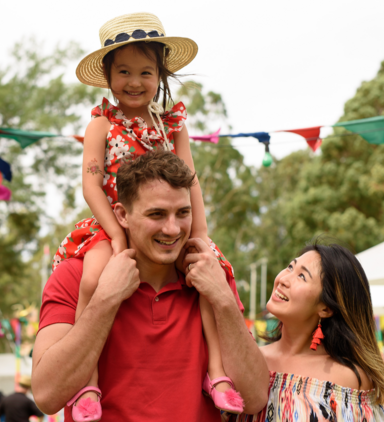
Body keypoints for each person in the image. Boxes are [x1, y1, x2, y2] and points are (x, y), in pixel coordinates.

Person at [49, 11, 244, 421]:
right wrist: (116, 236)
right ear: (107, 75)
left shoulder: (172, 125)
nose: (134, 82)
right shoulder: (102, 124)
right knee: (91, 275)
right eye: (123, 71)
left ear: (161, 74)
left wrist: (202, 234)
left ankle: (217, 374)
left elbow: (190, 181)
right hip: (113, 223)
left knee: (206, 276)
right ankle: (87, 380)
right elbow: (91, 183)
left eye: (146, 72)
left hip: (165, 222)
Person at [33, 150, 269, 421]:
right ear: (122, 215)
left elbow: (254, 398)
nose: (172, 229)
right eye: (157, 214)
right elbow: (46, 395)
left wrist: (224, 299)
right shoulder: (75, 274)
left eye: (183, 213)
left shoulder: (211, 276)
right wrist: (105, 299)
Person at [229, 241, 384, 422]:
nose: (283, 279)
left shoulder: (347, 380)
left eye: (302, 276)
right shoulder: (248, 360)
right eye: (290, 267)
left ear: (326, 308)